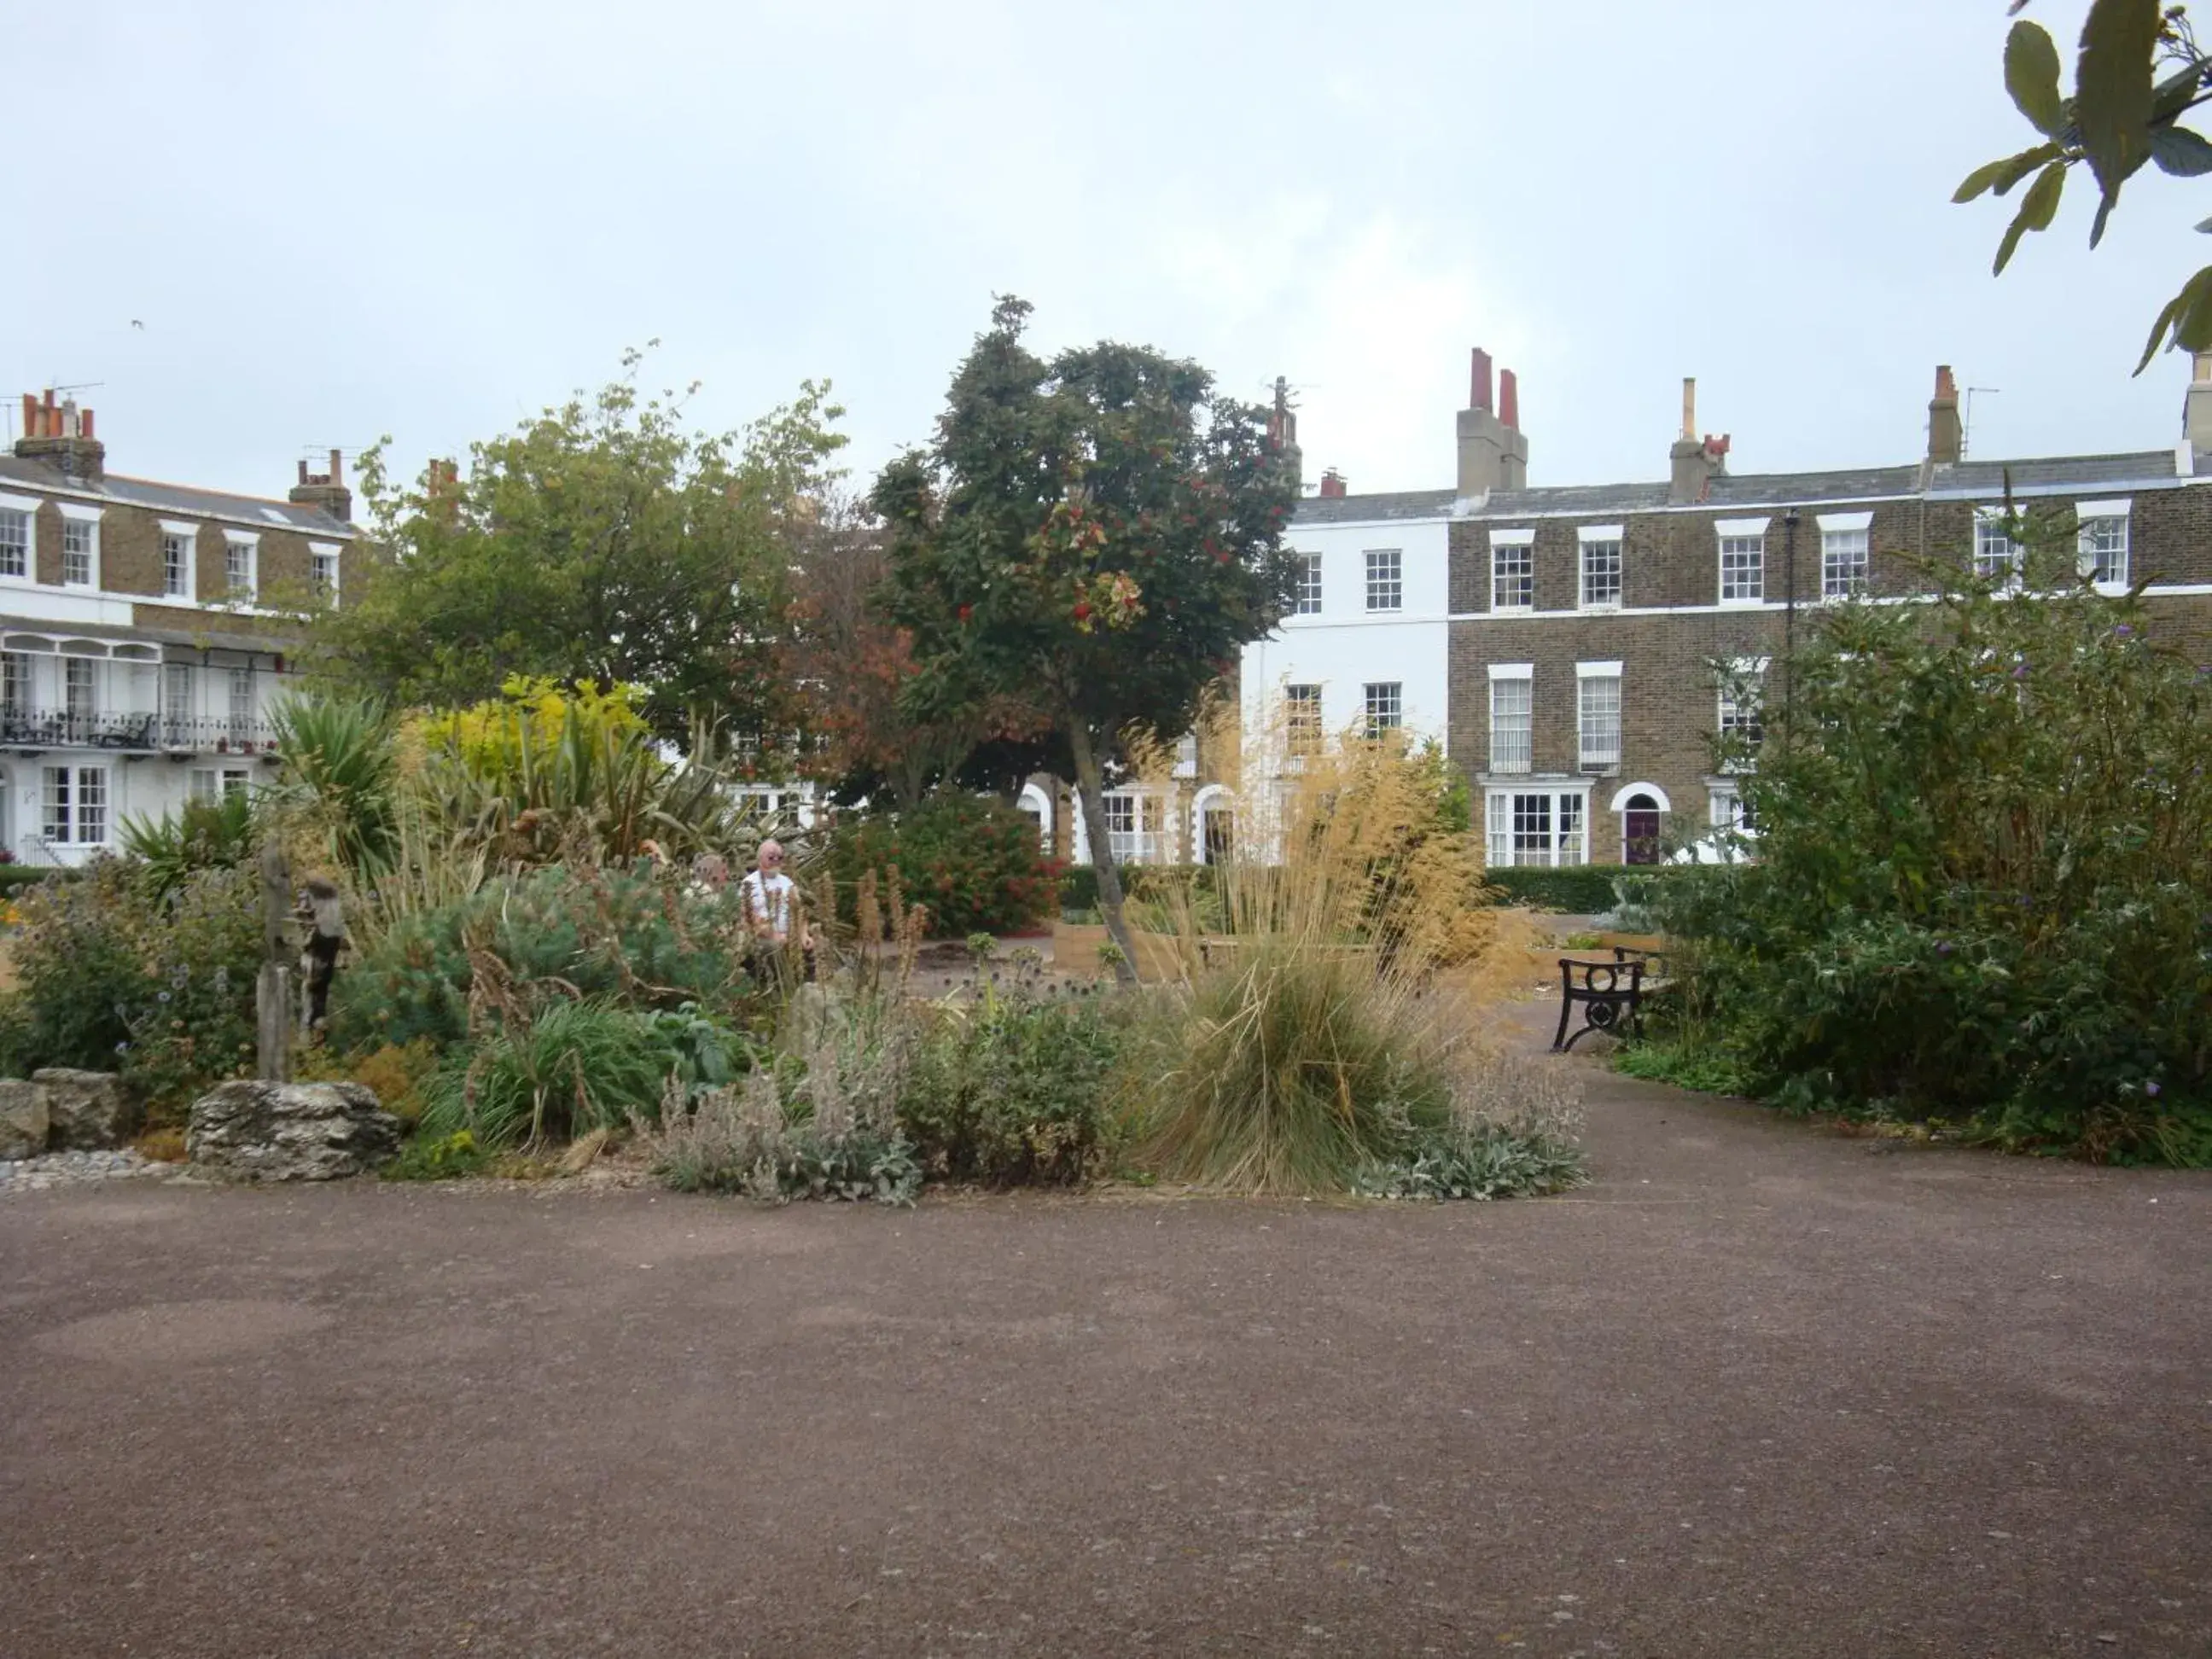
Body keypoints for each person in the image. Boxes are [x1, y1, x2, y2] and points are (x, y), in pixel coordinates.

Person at [738, 840, 814, 981]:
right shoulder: (748, 883)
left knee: (815, 946)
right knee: (773, 948)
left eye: (779, 857)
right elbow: (747, 916)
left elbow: (800, 912)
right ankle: (784, 988)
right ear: (760, 859)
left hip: (789, 935)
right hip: (762, 937)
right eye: (771, 857)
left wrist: (804, 935)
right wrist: (774, 935)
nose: (776, 860)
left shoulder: (788, 883)